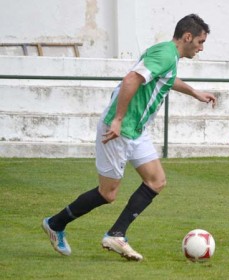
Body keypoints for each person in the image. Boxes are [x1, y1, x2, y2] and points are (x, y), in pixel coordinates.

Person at [42, 14, 216, 261]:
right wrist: (119, 119)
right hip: (120, 128)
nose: (201, 48)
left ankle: (117, 234)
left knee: (156, 180)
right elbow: (132, 78)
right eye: (200, 41)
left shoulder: (167, 55)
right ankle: (55, 224)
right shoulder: (166, 54)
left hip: (136, 129)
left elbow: (165, 79)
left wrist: (194, 92)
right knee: (107, 193)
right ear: (187, 37)